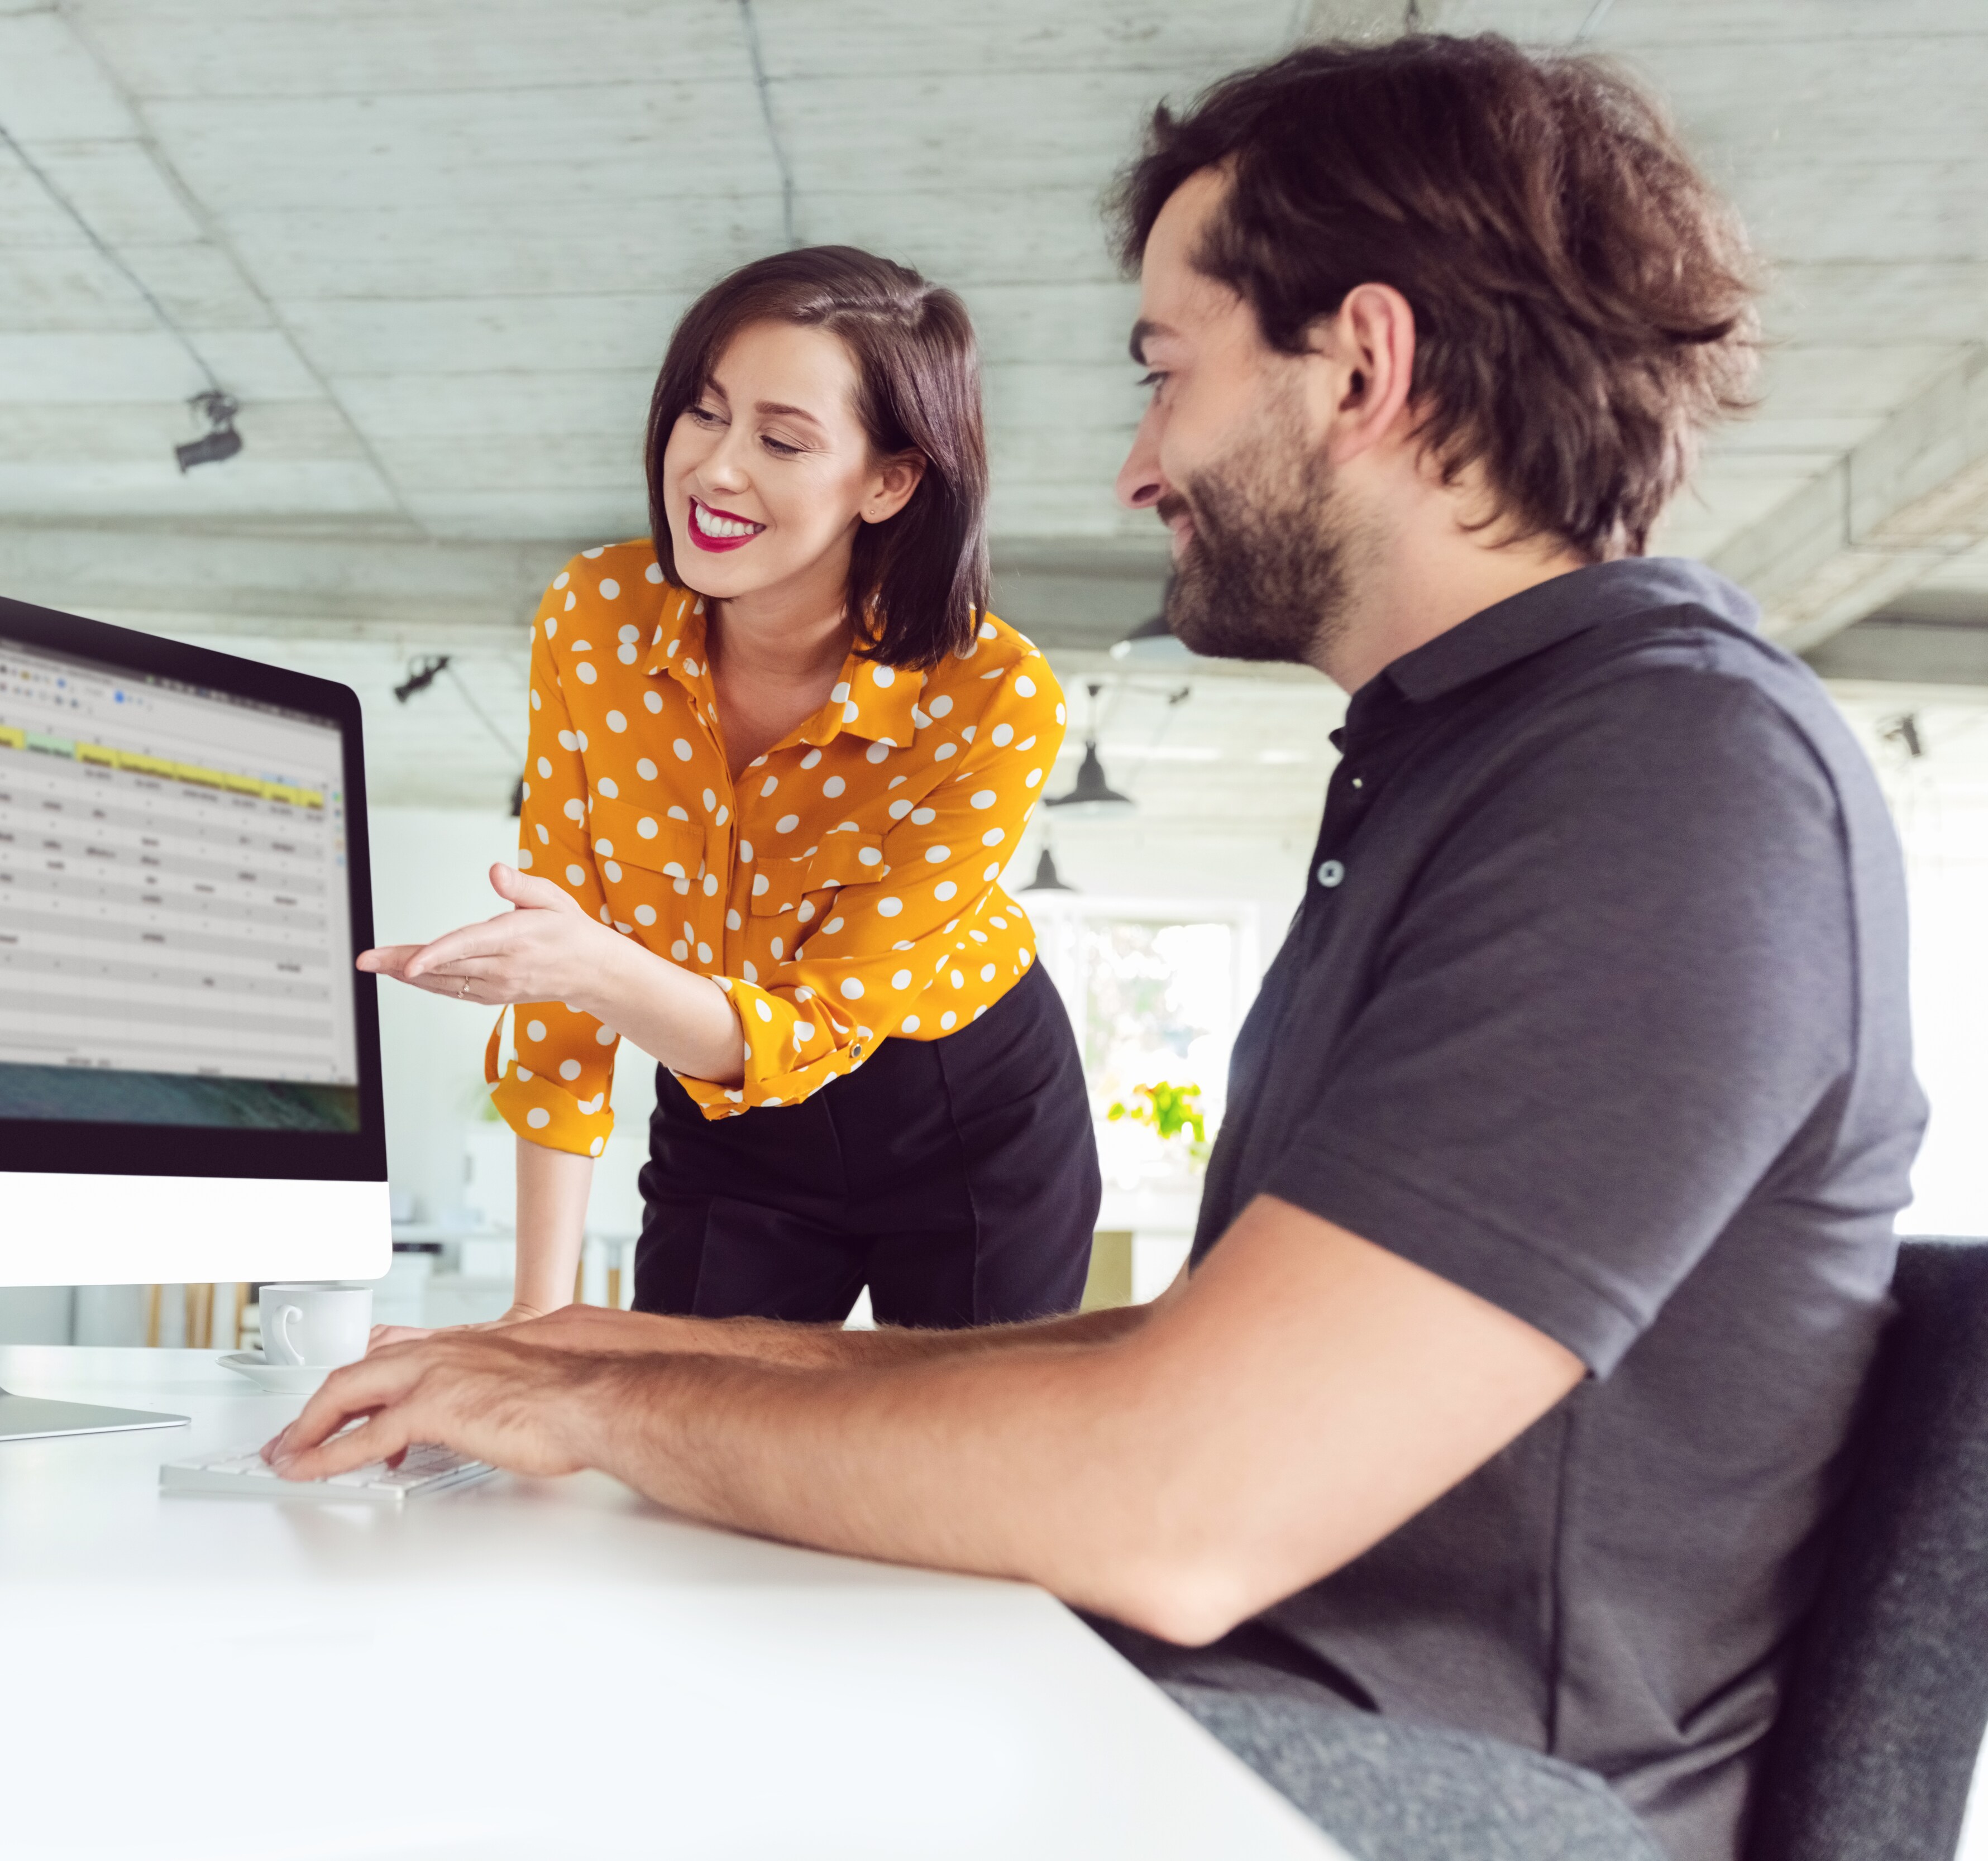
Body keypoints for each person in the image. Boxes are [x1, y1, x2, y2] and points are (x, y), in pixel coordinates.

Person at [280, 35, 1927, 1861]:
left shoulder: (1670, 774)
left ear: (1363, 366)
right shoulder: (1469, 766)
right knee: (584, 1609)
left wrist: (607, 1394)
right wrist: (605, 1356)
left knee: (501, 1746)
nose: (1142, 469)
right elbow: (1174, 1370)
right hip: (1234, 1715)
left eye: (1170, 378)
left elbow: (1179, 1494)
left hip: (1424, 1805)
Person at [360, 247, 1100, 1333]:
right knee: (676, 1438)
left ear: (889, 480)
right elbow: (564, 953)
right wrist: (536, 1313)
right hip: (718, 1104)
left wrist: (594, 964)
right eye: (701, 414)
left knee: (948, 1473)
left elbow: (815, 1023)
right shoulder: (595, 614)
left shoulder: (991, 697)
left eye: (782, 440)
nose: (713, 469)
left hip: (956, 1112)